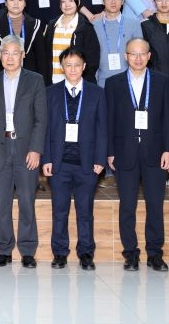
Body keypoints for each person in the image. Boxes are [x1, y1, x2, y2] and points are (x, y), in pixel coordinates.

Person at [105, 38, 169, 272]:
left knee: (155, 206)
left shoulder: (162, 81)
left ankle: (155, 254)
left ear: (149, 56)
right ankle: (131, 253)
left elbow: (168, 118)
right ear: (125, 56)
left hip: (155, 153)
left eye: (142, 54)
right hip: (124, 153)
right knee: (127, 206)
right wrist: (110, 152)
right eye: (133, 54)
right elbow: (109, 121)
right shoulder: (113, 83)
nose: (137, 58)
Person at [0, 35, 47, 269]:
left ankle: (28, 250)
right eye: (6, 53)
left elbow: (41, 119)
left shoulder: (35, 80)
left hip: (25, 149)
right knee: (2, 203)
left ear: (23, 55)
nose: (10, 58)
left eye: (15, 53)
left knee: (27, 201)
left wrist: (36, 149)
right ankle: (4, 249)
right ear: (0, 55)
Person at [42, 47, 107, 271]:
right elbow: (45, 129)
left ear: (84, 67)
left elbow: (102, 129)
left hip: (87, 164)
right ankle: (60, 253)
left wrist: (100, 159)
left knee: (85, 211)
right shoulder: (51, 93)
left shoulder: (97, 93)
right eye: (68, 65)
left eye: (77, 65)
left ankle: (86, 253)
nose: (72, 69)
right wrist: (46, 159)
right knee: (59, 211)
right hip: (59, 164)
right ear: (62, 67)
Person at [0, 0, 48, 78]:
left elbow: (41, 59)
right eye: (12, 0)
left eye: (20, 0)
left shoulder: (36, 25)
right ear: (6, 3)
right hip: (1, 78)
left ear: (25, 3)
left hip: (29, 79)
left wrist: (42, 82)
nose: (16, 3)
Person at [43, 0, 100, 85]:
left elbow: (92, 60)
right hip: (53, 81)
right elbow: (45, 56)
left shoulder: (86, 27)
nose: (67, 5)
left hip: (76, 82)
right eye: (63, 1)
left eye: (71, 1)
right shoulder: (52, 26)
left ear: (78, 3)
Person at [93, 0, 143, 88]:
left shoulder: (133, 24)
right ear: (102, 1)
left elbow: (140, 53)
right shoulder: (94, 26)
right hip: (102, 81)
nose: (113, 2)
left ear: (123, 1)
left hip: (129, 81)